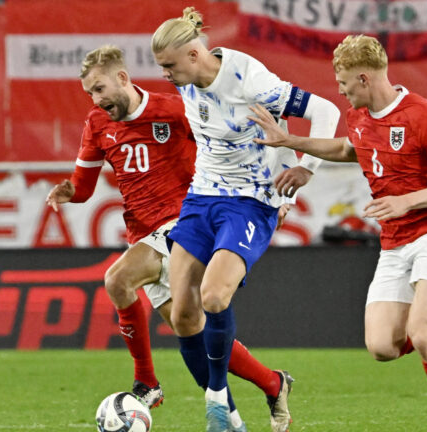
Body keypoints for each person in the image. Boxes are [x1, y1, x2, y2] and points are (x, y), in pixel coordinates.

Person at [249, 35, 427, 432]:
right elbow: (350, 151)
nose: (340, 89)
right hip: (394, 240)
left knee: (422, 336)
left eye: (343, 82)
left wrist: (408, 201)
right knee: (382, 348)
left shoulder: (424, 116)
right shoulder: (360, 117)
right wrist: (292, 144)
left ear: (364, 79)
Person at [45, 45, 299, 431]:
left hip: (186, 225)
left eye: (99, 89)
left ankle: (147, 382)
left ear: (123, 79)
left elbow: (235, 143)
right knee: (193, 335)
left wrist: (273, 194)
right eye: (89, 94)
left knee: (118, 279)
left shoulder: (174, 109)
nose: (96, 100)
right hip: (143, 233)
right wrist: (68, 191)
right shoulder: (97, 124)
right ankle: (270, 384)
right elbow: (84, 186)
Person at [151, 7, 340, 432]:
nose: (164, 74)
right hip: (201, 198)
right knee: (182, 316)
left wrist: (306, 166)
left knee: (214, 297)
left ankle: (216, 396)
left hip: (250, 202)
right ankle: (235, 419)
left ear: (195, 54)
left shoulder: (249, 79)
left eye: (169, 66)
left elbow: (326, 111)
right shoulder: (189, 80)